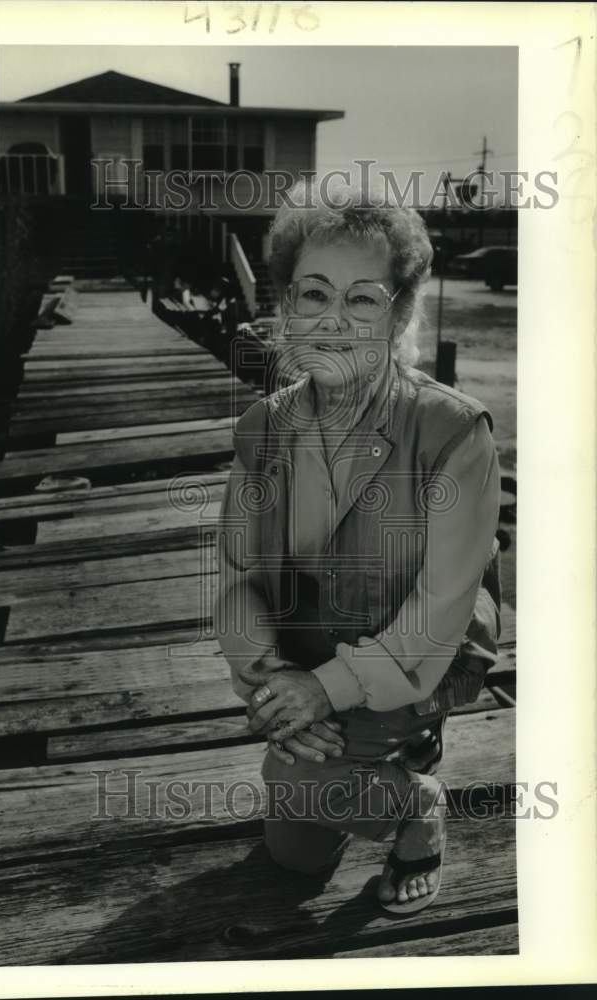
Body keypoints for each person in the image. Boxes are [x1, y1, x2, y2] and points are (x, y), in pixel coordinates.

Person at [214, 176, 502, 914]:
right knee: (293, 856)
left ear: (400, 310)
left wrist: (325, 692)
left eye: (363, 299)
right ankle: (388, 754)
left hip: (429, 651)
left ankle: (418, 807)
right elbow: (241, 578)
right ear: (285, 307)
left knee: (295, 780)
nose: (334, 322)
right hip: (314, 639)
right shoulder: (261, 429)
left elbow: (442, 611)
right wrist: (272, 681)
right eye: (314, 295)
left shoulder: (454, 433)